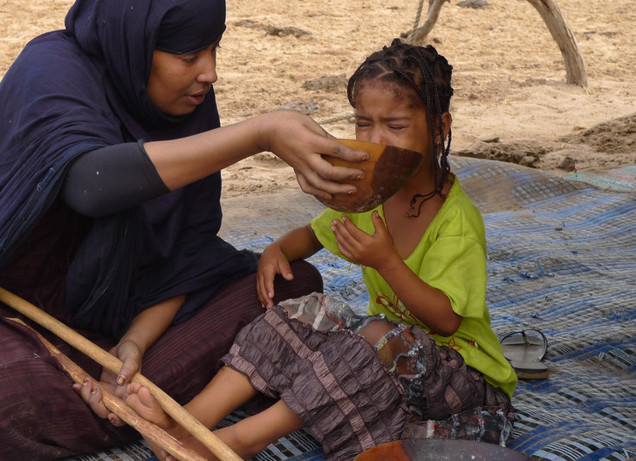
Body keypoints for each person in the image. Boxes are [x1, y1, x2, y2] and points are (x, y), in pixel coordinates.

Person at [0, 1, 368, 459]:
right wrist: (257, 135)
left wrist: (132, 345)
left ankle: (136, 402)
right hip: (9, 319)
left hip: (130, 318)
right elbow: (89, 184)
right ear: (134, 42)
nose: (210, 72)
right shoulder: (51, 67)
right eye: (188, 55)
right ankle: (154, 406)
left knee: (290, 286)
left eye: (213, 50)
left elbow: (185, 255)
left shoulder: (190, 99)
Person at [104, 39, 518, 460]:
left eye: (394, 126)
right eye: (362, 123)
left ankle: (239, 442)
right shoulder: (372, 189)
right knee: (302, 311)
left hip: (462, 384)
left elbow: (445, 321)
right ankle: (188, 421)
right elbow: (315, 234)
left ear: (438, 128)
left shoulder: (456, 221)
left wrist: (387, 262)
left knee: (366, 340)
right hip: (391, 365)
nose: (376, 140)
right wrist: (278, 250)